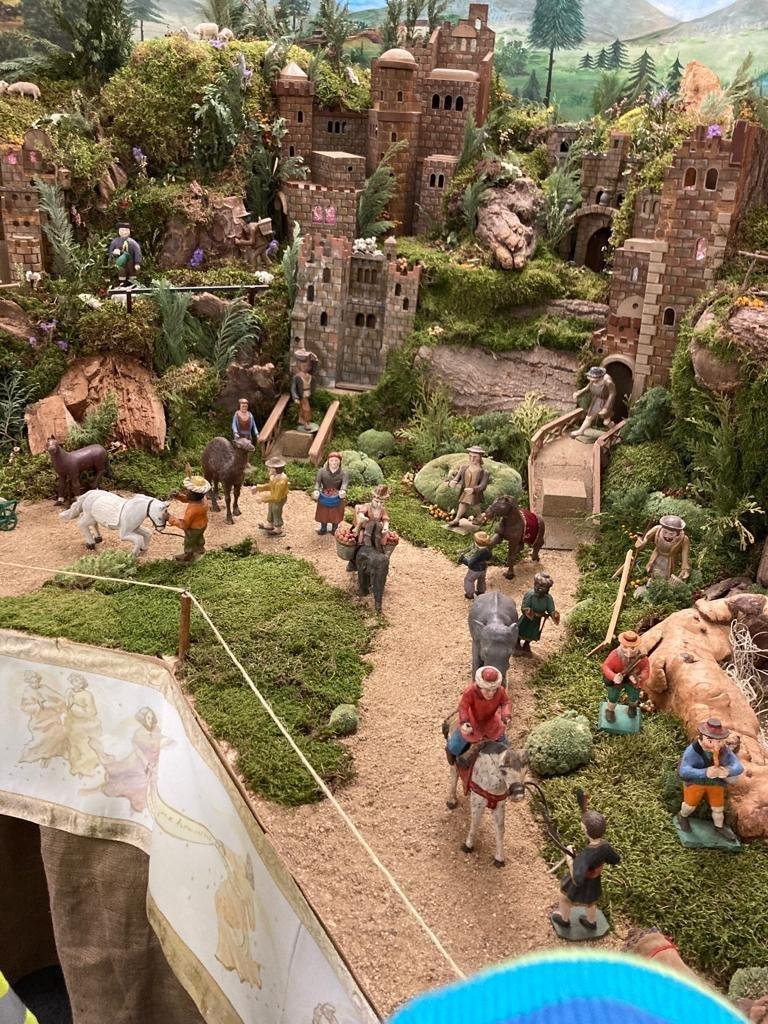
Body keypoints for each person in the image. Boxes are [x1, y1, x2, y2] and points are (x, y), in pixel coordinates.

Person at [551, 809, 621, 932]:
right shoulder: (605, 845)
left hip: (581, 883)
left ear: (585, 830)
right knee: (591, 901)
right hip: (594, 881)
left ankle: (564, 920)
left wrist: (570, 859)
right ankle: (591, 922)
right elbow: (615, 859)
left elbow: (577, 878)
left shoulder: (587, 855)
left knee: (564, 897)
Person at [676, 717, 743, 843]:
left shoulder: (724, 750)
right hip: (696, 783)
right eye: (711, 741)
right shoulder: (693, 750)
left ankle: (719, 827)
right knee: (689, 806)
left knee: (718, 809)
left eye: (720, 741)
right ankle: (682, 816)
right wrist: (705, 772)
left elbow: (738, 767)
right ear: (702, 737)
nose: (716, 745)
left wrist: (727, 771)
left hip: (715, 784)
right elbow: (684, 770)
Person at [445, 666, 511, 765]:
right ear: (480, 687)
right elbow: (463, 706)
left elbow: (506, 702)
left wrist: (506, 715)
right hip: (473, 721)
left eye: (494, 690)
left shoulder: (500, 691)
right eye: (487, 690)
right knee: (457, 743)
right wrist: (464, 722)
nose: (491, 693)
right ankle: (451, 751)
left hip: (491, 722)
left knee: (504, 743)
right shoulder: (470, 691)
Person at [601, 630, 649, 723]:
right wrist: (614, 676)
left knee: (634, 696)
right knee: (613, 697)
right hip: (617, 681)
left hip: (632, 682)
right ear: (621, 644)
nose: (629, 651)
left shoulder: (641, 657)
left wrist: (639, 678)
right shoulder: (615, 655)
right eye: (625, 647)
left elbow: (646, 670)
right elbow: (606, 666)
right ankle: (610, 711)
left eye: (632, 648)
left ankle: (632, 707)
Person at [635, 515, 690, 586]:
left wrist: (684, 568)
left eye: (671, 534)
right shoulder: (657, 529)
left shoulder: (683, 539)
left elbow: (685, 555)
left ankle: (662, 586)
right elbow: (646, 538)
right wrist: (641, 543)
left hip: (670, 559)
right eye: (665, 532)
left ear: (678, 533)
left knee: (666, 574)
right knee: (654, 569)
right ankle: (652, 582)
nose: (667, 536)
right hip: (657, 555)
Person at [348, 485, 390, 572]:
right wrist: (362, 517)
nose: (379, 504)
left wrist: (385, 527)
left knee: (381, 543)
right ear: (373, 498)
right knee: (358, 540)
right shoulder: (367, 506)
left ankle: (378, 562)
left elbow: (385, 519)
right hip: (365, 528)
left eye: (381, 502)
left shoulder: (382, 509)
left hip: (376, 531)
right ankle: (353, 562)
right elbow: (361, 512)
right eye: (377, 501)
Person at [168, 475, 210, 562]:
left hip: (193, 528)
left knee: (189, 540)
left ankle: (188, 555)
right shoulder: (203, 499)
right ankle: (200, 548)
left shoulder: (193, 509)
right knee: (199, 537)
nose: (186, 492)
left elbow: (184, 525)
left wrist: (171, 519)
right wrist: (178, 496)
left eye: (188, 492)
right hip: (203, 525)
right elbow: (188, 499)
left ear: (193, 495)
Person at [446, 447, 490, 528]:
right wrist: (452, 482)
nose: (472, 459)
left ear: (480, 457)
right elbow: (457, 478)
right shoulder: (464, 468)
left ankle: (479, 517)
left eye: (475, 457)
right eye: (470, 456)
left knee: (475, 505)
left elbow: (483, 486)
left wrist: (473, 490)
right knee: (462, 503)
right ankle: (457, 519)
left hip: (475, 493)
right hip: (465, 491)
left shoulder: (484, 472)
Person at [518, 572, 560, 653]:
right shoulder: (530, 595)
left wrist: (553, 614)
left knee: (532, 632)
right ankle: (517, 642)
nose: (540, 588)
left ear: (548, 588)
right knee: (522, 629)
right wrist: (528, 611)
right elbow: (524, 606)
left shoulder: (548, 598)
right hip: (527, 618)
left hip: (537, 620)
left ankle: (527, 644)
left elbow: (551, 609)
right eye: (538, 585)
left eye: (543, 586)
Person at [570, 366, 616, 438]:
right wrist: (579, 392)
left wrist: (606, 407)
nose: (591, 379)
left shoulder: (607, 381)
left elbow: (612, 393)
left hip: (606, 401)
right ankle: (581, 431)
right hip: (597, 400)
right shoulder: (593, 380)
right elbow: (588, 387)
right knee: (589, 417)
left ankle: (614, 431)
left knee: (606, 422)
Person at [253, 456, 289, 536]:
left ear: (275, 469)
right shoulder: (274, 477)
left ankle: (278, 528)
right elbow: (270, 486)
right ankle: (270, 524)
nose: (268, 469)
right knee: (270, 508)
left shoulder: (282, 481)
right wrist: (258, 487)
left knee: (276, 510)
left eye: (270, 468)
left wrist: (263, 499)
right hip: (273, 496)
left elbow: (276, 497)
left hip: (280, 498)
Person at [313, 452, 348, 535]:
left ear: (340, 462)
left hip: (337, 495)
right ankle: (323, 528)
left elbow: (345, 483)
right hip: (324, 495)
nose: (334, 463)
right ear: (328, 461)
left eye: (336, 460)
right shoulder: (321, 471)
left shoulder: (344, 473)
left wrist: (343, 490)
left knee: (336, 513)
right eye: (332, 460)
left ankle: (334, 529)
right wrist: (316, 490)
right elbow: (317, 482)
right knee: (323, 512)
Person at [458, 531, 493, 600]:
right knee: (481, 579)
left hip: (475, 570)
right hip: (483, 568)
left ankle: (470, 594)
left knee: (469, 580)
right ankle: (481, 591)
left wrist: (463, 559)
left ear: (476, 542)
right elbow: (489, 558)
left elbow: (471, 563)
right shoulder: (487, 550)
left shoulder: (478, 553)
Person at [290, 349, 318, 432]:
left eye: (307, 366)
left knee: (303, 408)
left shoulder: (309, 375)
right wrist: (295, 397)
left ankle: (301, 420)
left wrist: (315, 358)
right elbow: (293, 388)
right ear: (299, 366)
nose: (306, 368)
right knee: (306, 409)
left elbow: (315, 367)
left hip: (307, 393)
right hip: (302, 395)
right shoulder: (297, 377)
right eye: (303, 366)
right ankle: (306, 422)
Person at [108, 221, 142, 286]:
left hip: (131, 262)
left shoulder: (132, 242)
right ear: (119, 231)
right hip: (120, 263)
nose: (124, 232)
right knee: (121, 273)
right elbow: (110, 253)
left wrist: (137, 263)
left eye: (126, 230)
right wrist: (113, 254)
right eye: (122, 230)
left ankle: (133, 285)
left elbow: (137, 251)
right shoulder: (115, 242)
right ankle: (122, 285)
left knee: (132, 274)